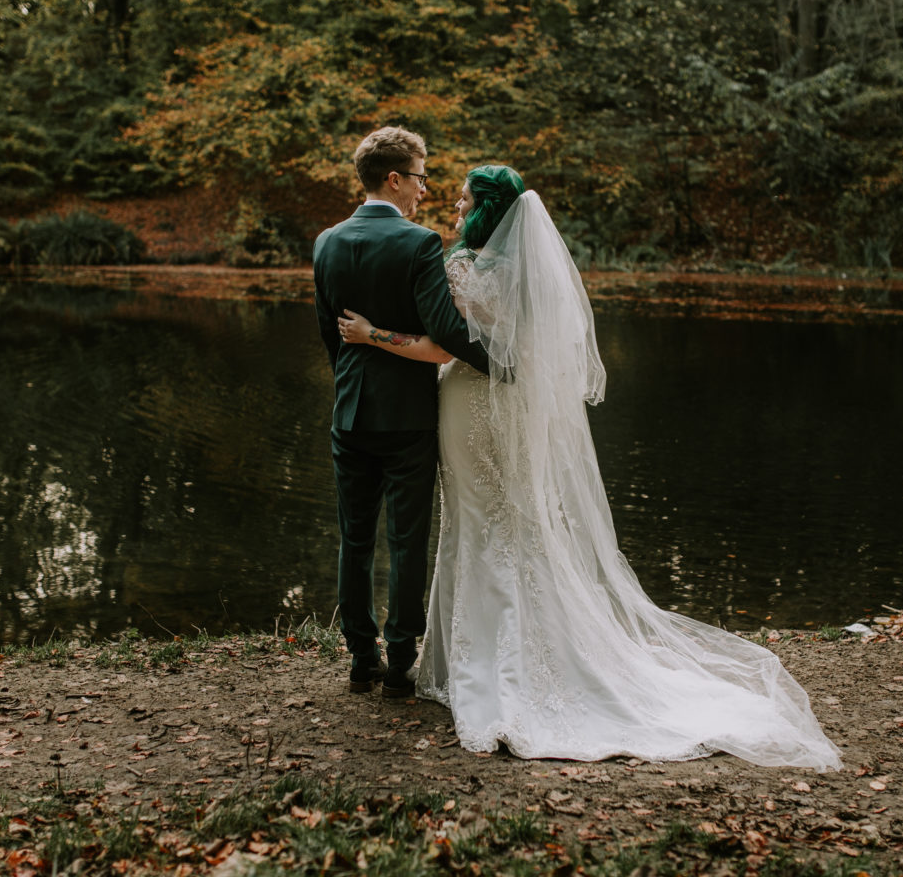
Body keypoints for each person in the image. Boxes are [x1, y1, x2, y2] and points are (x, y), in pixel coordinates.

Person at [336, 165, 842, 769]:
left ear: (485, 210)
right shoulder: (529, 272)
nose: (454, 203)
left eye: (465, 198)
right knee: (516, 519)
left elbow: (443, 346)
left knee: (474, 519)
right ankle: (535, 652)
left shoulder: (462, 267)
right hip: (516, 410)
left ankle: (479, 664)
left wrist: (370, 334)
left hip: (471, 403)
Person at [312, 127, 490, 698]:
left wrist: (355, 367)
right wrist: (504, 363)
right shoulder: (418, 244)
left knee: (354, 539)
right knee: (408, 540)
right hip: (409, 416)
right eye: (419, 176)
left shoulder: (325, 243)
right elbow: (445, 330)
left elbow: (330, 336)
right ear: (394, 178)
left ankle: (361, 659)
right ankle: (400, 663)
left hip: (349, 413)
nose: (424, 187)